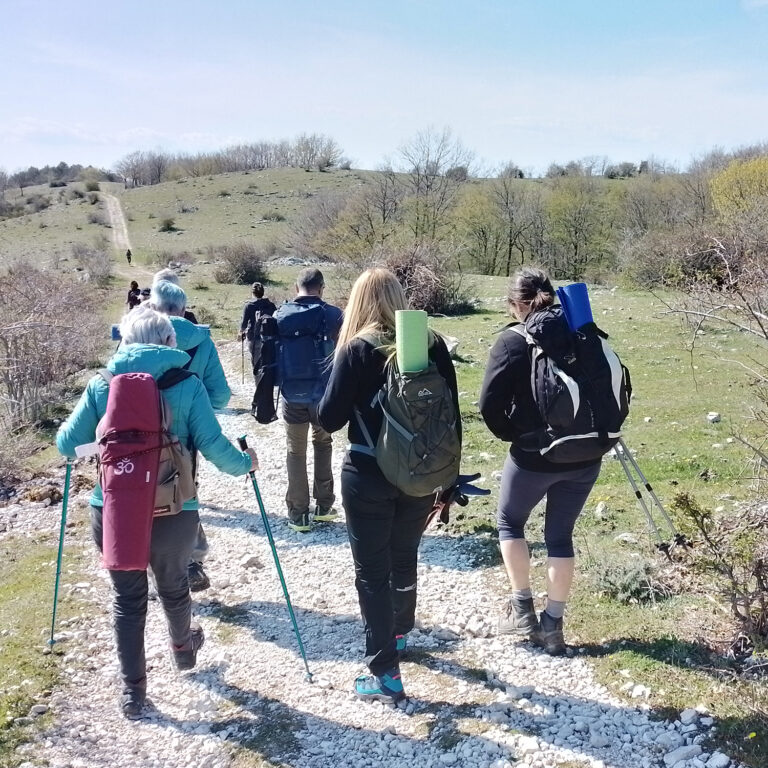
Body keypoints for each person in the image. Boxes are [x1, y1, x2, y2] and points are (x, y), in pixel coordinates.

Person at [56, 305, 258, 719]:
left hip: (113, 509)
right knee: (173, 587)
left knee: (127, 601)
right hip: (175, 508)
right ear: (170, 342)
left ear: (125, 342)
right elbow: (214, 445)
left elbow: (65, 444)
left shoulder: (102, 384)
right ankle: (183, 649)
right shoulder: (187, 384)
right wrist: (246, 464)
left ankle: (133, 694)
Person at [318, 268, 461, 702]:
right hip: (421, 476)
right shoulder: (431, 345)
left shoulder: (357, 349)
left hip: (367, 474)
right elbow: (452, 418)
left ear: (358, 302)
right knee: (405, 555)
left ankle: (385, 673)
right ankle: (399, 633)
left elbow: (330, 418)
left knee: (372, 574)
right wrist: (448, 479)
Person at [479, 267, 602, 656]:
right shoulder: (583, 332)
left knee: (509, 523)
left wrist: (515, 436)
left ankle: (521, 610)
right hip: (586, 454)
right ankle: (553, 625)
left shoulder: (513, 341)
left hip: (535, 456)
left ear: (516, 304)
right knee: (560, 538)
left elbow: (488, 405)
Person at [150, 279, 232, 592]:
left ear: (153, 308)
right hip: (186, 439)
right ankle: (190, 561)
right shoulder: (202, 340)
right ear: (184, 310)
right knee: (185, 491)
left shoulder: (137, 337)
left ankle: (153, 569)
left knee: (145, 494)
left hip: (140, 435)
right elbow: (222, 396)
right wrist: (196, 408)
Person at [274, 268, 342, 533]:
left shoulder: (281, 315)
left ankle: (298, 514)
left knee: (295, 451)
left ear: (296, 287)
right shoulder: (334, 314)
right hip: (324, 395)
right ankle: (324, 506)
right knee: (323, 443)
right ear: (321, 288)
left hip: (292, 395)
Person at [239, 281, 277, 365]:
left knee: (256, 362)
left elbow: (244, 324)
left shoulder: (249, 306)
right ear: (263, 292)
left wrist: (240, 333)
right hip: (269, 337)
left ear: (253, 293)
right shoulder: (271, 305)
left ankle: (257, 377)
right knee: (268, 361)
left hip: (253, 337)